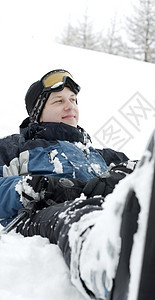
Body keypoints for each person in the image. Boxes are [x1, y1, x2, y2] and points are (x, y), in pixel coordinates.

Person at [0, 69, 140, 299]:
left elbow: (147, 168)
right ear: (38, 112)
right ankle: (105, 272)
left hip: (104, 211)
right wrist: (34, 186)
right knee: (81, 215)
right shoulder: (14, 148)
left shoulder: (97, 154)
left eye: (73, 100)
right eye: (59, 101)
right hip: (42, 216)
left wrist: (120, 175)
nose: (70, 106)